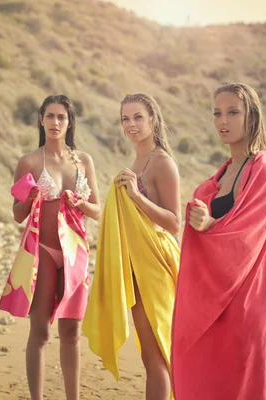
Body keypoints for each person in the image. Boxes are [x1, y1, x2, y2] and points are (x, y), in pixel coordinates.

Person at [171, 83, 266, 400]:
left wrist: (209, 224)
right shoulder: (223, 173)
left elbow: (247, 237)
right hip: (214, 303)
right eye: (218, 113)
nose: (224, 120)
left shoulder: (263, 169)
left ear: (252, 116)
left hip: (245, 305)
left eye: (233, 112)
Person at [0, 94, 101, 400]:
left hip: (76, 254)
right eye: (50, 116)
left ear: (69, 123)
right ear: (41, 120)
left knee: (71, 333)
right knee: (41, 332)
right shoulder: (29, 161)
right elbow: (18, 215)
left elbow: (98, 210)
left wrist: (83, 203)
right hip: (42, 250)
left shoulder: (83, 161)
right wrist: (31, 198)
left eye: (61, 117)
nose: (55, 122)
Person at [82, 93, 180, 400]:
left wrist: (137, 197)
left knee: (157, 357)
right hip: (137, 264)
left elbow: (175, 223)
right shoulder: (139, 160)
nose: (131, 125)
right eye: (125, 118)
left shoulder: (162, 162)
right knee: (150, 356)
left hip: (156, 266)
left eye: (138, 117)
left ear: (152, 118)